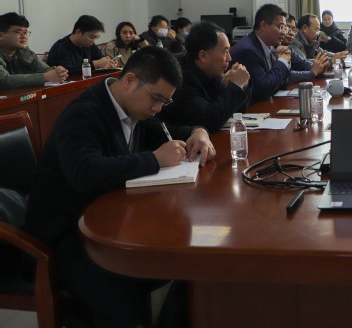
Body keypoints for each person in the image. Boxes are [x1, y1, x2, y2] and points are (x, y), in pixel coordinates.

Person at [24, 46, 216, 328]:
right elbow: (84, 173)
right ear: (130, 80)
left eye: (165, 102)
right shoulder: (83, 113)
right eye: (156, 98)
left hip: (109, 221)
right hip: (66, 237)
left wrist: (199, 132)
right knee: (129, 293)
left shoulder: (133, 109)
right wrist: (153, 159)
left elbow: (168, 134)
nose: (158, 109)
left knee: (184, 267)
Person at [159, 21, 250, 132]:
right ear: (203, 56)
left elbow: (237, 110)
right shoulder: (180, 77)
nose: (229, 58)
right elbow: (209, 121)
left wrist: (240, 84)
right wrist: (236, 85)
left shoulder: (210, 71)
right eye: (225, 52)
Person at [230, 4, 324, 102]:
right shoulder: (248, 50)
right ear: (263, 25)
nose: (284, 32)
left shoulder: (270, 45)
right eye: (280, 27)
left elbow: (282, 79)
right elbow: (264, 89)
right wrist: (282, 61)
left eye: (284, 28)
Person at [0, 12, 68, 88]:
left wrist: (58, 73)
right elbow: (3, 80)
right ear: (1, 35)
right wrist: (45, 77)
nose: (24, 36)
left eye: (25, 32)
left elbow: (43, 69)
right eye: (18, 32)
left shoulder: (23, 51)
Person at [47, 15, 117, 74]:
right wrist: (95, 64)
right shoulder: (61, 47)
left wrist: (109, 62)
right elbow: (68, 71)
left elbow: (100, 58)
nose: (93, 41)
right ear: (78, 32)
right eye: (91, 37)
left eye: (96, 37)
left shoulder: (89, 44)